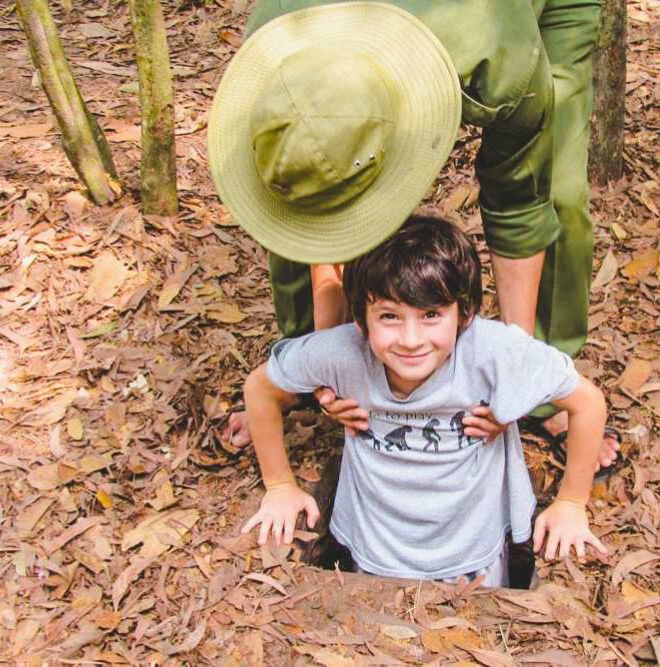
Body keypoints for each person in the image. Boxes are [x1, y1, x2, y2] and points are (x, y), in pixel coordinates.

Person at [209, 0, 621, 468]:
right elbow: (305, 206)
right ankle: (297, 374)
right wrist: (327, 364)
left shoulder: (500, 64)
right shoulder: (273, 47)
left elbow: (519, 204)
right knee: (287, 188)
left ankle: (547, 394)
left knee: (558, 196)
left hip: (522, 20)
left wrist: (511, 373)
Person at [239, 217, 609, 585]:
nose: (411, 339)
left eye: (431, 315)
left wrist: (572, 504)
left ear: (464, 314)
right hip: (371, 552)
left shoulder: (492, 351)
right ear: (360, 319)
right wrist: (280, 486)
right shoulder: (344, 353)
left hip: (475, 555)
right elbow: (260, 388)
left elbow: (588, 403)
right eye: (389, 316)